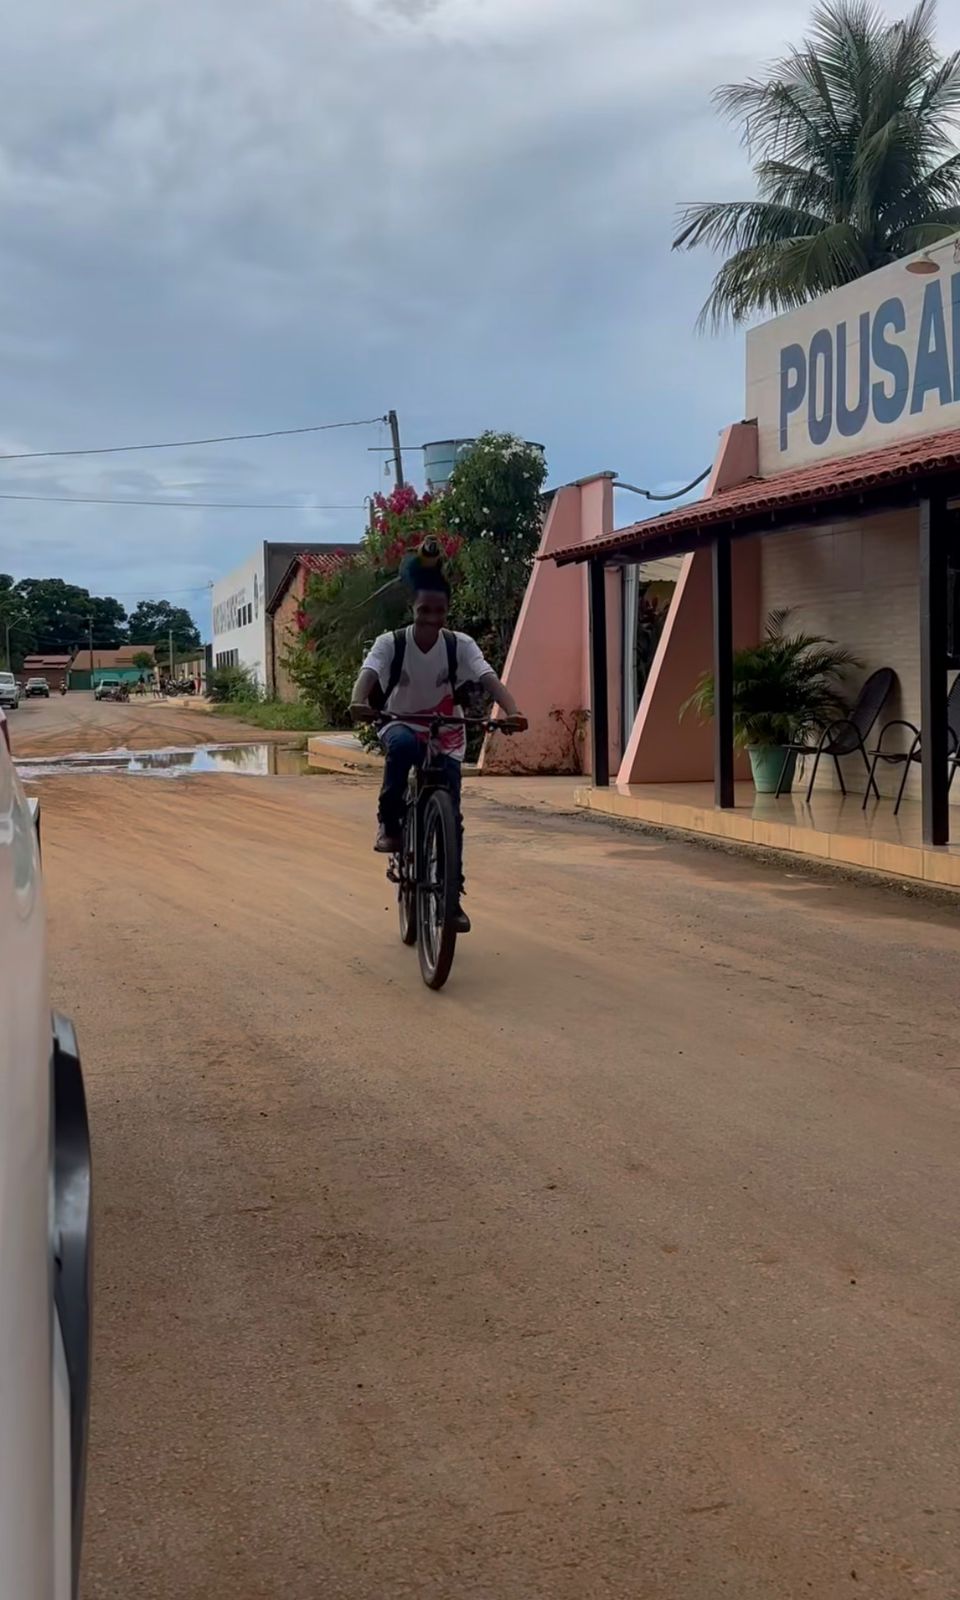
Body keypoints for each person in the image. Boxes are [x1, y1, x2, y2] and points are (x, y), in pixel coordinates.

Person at [350, 568, 526, 933]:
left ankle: (451, 897)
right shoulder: (391, 643)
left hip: (445, 730)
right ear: (412, 609)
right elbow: (369, 673)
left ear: (448, 611)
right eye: (424, 611)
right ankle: (390, 823)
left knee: (452, 813)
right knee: (399, 746)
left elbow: (487, 677)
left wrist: (512, 711)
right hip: (400, 721)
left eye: (439, 612)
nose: (431, 619)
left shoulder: (459, 644)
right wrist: (358, 700)